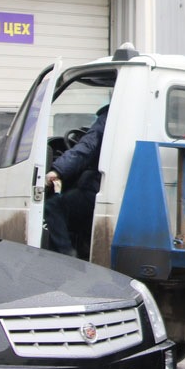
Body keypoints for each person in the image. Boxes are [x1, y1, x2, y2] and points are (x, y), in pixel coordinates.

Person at [43, 105, 107, 258]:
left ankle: (66, 255)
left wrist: (57, 170)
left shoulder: (109, 116)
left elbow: (86, 148)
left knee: (53, 206)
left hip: (99, 186)